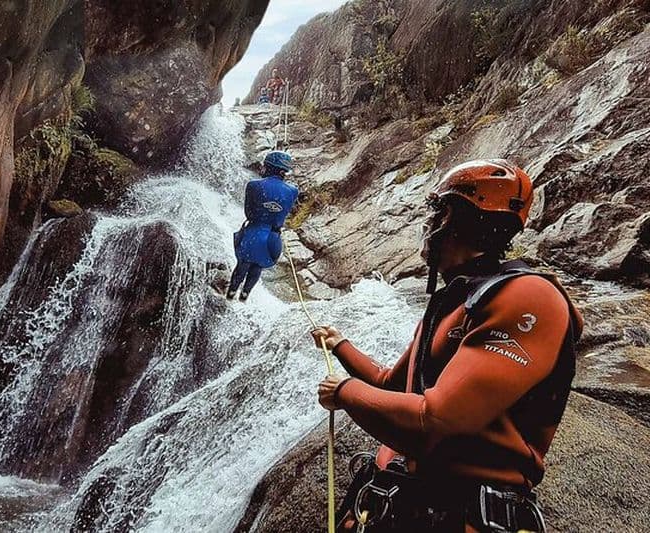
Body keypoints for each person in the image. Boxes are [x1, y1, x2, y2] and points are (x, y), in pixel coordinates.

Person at [312, 159, 583, 532]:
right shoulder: (456, 300)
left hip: (459, 513)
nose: (427, 224)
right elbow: (391, 384)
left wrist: (344, 393)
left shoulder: (528, 295)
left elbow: (436, 421)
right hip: (399, 502)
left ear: (451, 217)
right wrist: (340, 344)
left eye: (436, 209)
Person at [228, 151, 299, 302]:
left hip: (253, 234)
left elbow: (249, 213)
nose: (262, 169)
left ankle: (231, 292)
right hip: (273, 239)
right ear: (283, 172)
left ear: (269, 168)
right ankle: (245, 295)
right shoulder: (293, 191)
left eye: (265, 166)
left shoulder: (253, 185)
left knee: (243, 264)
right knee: (258, 265)